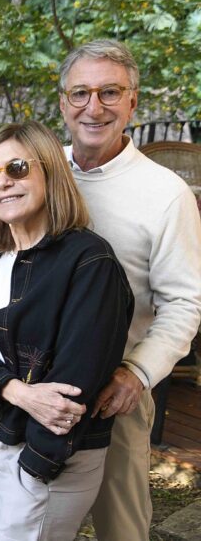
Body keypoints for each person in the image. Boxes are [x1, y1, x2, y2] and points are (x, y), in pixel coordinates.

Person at [0, 121, 133, 540]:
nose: (1, 183)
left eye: (16, 168)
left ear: (49, 170)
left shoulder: (89, 262)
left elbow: (74, 388)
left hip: (45, 455)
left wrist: (35, 470)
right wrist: (15, 390)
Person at [58, 39, 201, 541]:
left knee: (121, 527)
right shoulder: (39, 173)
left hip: (113, 392)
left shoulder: (165, 194)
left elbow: (184, 303)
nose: (93, 107)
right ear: (63, 103)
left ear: (132, 102)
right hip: (35, 386)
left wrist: (136, 374)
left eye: (110, 92)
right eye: (80, 93)